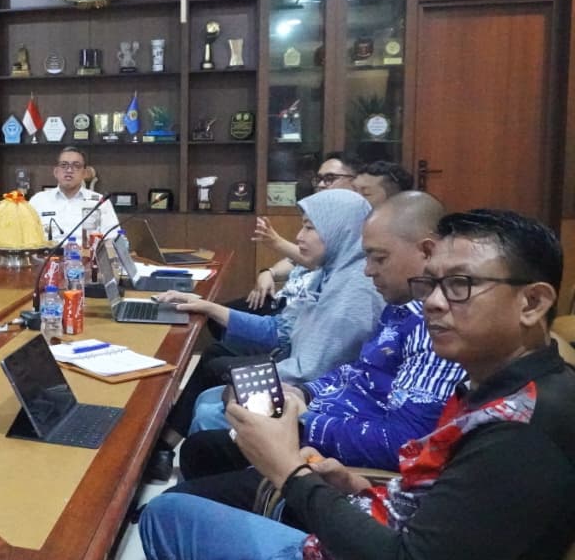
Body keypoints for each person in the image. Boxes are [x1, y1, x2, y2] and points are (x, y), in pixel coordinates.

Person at [76, 209, 575, 560]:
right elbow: (444, 517)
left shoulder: (523, 434)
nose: (435, 303)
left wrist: (290, 473)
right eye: (431, 283)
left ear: (532, 303)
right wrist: (353, 487)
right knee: (167, 516)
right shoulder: (495, 383)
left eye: (460, 285)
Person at [172, 191, 463, 505]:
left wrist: (305, 420)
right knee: (203, 442)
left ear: (427, 252)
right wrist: (304, 393)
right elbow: (354, 373)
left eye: (379, 258)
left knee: (183, 484)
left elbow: (403, 443)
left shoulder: (435, 328)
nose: (368, 270)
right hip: (320, 419)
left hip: (326, 455)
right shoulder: (396, 306)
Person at [145, 188, 383, 481]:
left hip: (311, 400)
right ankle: (197, 483)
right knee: (207, 395)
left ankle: (215, 488)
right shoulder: (329, 274)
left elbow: (312, 373)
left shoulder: (355, 294)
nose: (299, 237)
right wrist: (208, 307)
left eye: (310, 227)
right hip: (295, 381)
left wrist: (246, 378)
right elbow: (280, 332)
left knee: (208, 408)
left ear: (339, 230)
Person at [244, 152, 363, 313]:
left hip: (300, 312)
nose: (321, 185)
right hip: (283, 300)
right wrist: (269, 272)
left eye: (330, 178)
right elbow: (294, 261)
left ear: (356, 181)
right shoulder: (321, 213)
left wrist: (276, 241)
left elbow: (322, 263)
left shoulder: (357, 223)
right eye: (319, 179)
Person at [28, 146, 119, 243]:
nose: (69, 170)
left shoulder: (100, 202)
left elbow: (114, 238)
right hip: (47, 252)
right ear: (56, 172)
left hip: (86, 252)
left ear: (84, 173)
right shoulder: (38, 200)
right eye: (64, 165)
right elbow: (26, 236)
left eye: (76, 166)